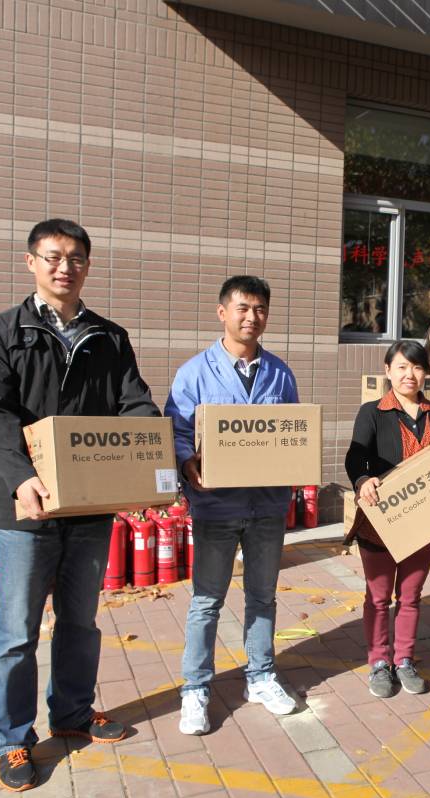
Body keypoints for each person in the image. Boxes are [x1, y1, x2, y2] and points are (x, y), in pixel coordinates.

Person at [0, 219, 160, 792]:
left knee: (80, 620)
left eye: (75, 258)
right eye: (52, 256)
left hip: (90, 508)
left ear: (88, 266)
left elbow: (135, 404)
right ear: (31, 262)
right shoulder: (2, 334)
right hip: (26, 508)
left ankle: (72, 712)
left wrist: (142, 460)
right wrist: (21, 478)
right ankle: (12, 738)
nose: (64, 267)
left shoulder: (109, 337)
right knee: (16, 632)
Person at [165, 276, 301, 736]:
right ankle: (195, 688)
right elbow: (177, 429)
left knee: (263, 595)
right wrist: (187, 462)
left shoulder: (280, 373)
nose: (251, 317)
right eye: (243, 308)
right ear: (222, 312)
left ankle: (261, 676)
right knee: (207, 600)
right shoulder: (194, 372)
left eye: (260, 309)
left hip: (267, 505)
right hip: (217, 506)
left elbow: (293, 431)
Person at [345, 341, 430, 697]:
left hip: (424, 522)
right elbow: (355, 457)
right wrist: (363, 480)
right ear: (388, 371)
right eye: (402, 367)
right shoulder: (373, 412)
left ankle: (404, 659)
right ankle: (379, 662)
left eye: (417, 367)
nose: (410, 374)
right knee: (379, 598)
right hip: (381, 521)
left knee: (410, 596)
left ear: (426, 373)